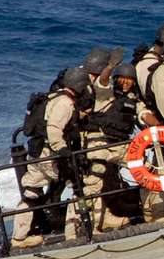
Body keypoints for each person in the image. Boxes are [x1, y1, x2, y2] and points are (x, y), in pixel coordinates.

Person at [10, 66, 93, 247]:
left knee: (31, 192)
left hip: (37, 153)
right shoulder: (66, 103)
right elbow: (54, 128)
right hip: (51, 155)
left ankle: (18, 238)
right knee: (79, 185)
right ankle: (74, 233)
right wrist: (62, 150)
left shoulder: (52, 97)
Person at [77, 61, 156, 232]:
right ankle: (90, 227)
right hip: (99, 143)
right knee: (93, 184)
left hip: (120, 145)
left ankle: (152, 214)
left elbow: (145, 115)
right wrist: (110, 66)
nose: (126, 82)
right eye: (122, 79)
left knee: (149, 173)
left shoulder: (133, 100)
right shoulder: (105, 94)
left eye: (130, 79)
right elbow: (102, 82)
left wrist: (158, 127)